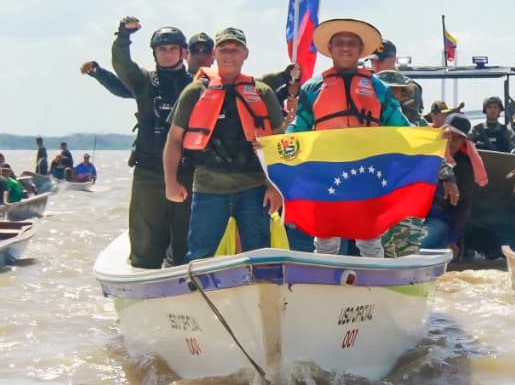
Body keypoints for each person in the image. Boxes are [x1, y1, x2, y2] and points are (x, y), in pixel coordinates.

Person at [290, 18, 409, 258]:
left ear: (360, 50)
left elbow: (399, 125)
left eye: (352, 43)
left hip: (367, 171)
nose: (345, 48)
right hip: (326, 171)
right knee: (325, 239)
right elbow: (299, 127)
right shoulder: (312, 88)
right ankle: (326, 286)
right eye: (340, 43)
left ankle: (375, 287)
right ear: (331, 49)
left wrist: (434, 136)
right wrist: (272, 147)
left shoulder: (378, 88)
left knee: (369, 239)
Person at [164, 27, 285, 262]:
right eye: (223, 50)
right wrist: (170, 182)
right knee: (200, 254)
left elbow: (280, 143)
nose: (229, 55)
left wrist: (276, 188)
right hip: (209, 187)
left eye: (235, 49)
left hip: (254, 188)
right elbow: (174, 140)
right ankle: (201, 294)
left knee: (259, 253)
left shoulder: (262, 92)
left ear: (245, 53)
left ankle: (258, 295)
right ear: (215, 54)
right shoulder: (194, 92)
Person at [112, 16, 195, 268]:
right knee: (146, 240)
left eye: (172, 49)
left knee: (185, 239)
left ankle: (186, 286)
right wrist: (123, 36)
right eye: (162, 49)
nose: (167, 54)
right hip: (149, 171)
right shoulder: (144, 81)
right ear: (155, 53)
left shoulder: (198, 85)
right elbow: (122, 66)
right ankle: (143, 285)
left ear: (183, 52)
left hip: (188, 172)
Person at [420, 114, 485, 258]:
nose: (451, 142)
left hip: (438, 218)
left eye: (457, 138)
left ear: (463, 141)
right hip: (412, 215)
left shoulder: (465, 166)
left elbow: (463, 204)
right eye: (449, 135)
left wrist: (452, 240)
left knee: (421, 244)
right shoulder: (425, 152)